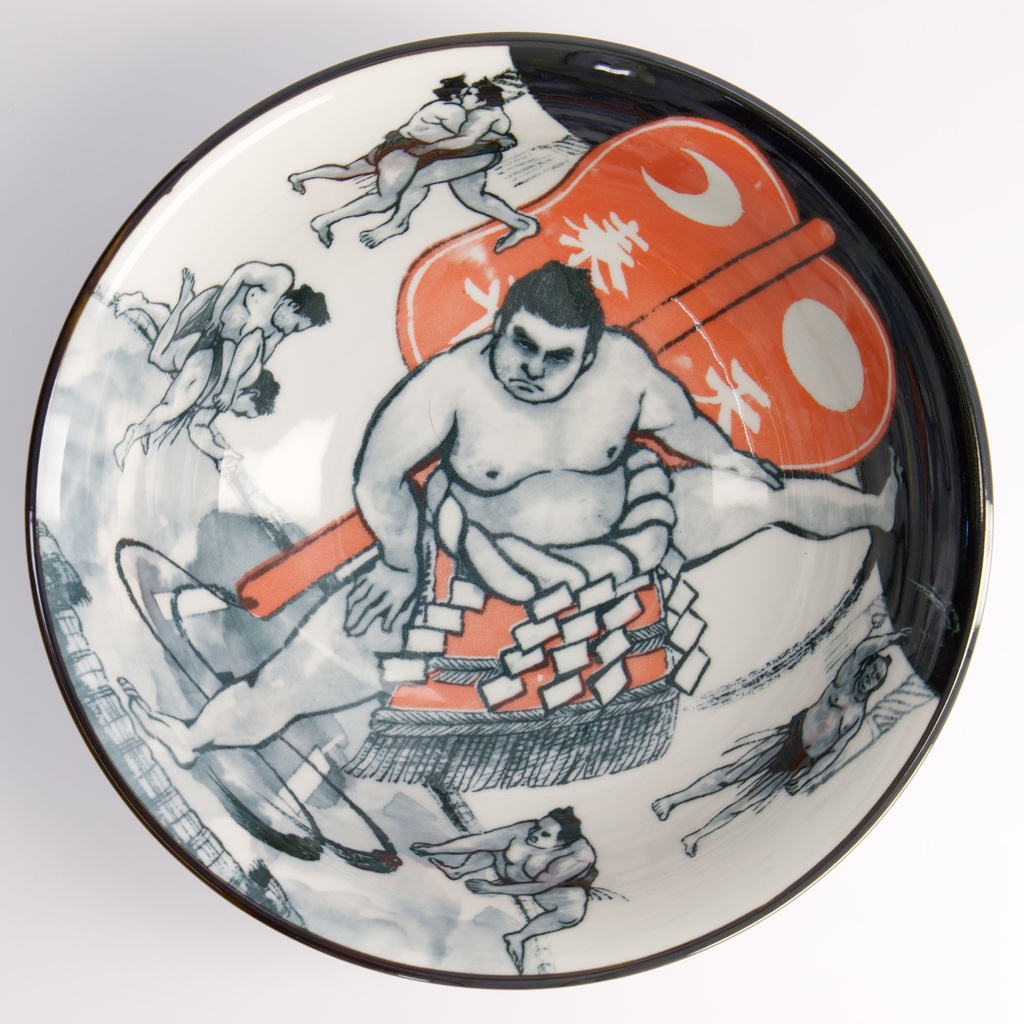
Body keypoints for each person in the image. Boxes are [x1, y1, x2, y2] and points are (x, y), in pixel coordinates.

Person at [125, 261, 896, 768]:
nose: (531, 368)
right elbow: (378, 477)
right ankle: (189, 740)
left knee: (766, 495)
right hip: (465, 563)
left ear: (589, 354)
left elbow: (682, 425)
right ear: (500, 326)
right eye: (520, 344)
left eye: (557, 358)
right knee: (302, 676)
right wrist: (396, 561)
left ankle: (883, 512)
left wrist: (727, 459)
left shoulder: (624, 369)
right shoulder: (451, 385)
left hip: (625, 539)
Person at [651, 630, 908, 856]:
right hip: (790, 736)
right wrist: (889, 639)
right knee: (731, 774)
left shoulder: (857, 714)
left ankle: (694, 837)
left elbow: (835, 752)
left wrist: (808, 777)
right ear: (864, 668)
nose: (871, 678)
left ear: (879, 684)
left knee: (747, 801)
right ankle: (671, 801)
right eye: (871, 671)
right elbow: (860, 651)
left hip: (801, 761)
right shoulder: (844, 682)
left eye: (878, 677)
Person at [113, 264, 328, 468]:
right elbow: (241, 274)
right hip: (214, 311)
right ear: (292, 306)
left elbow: (251, 358)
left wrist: (223, 454)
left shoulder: (274, 335)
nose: (290, 331)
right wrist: (216, 314)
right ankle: (147, 303)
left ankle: (146, 304)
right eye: (296, 326)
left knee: (163, 357)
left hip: (216, 348)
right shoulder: (281, 280)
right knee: (165, 352)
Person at [293, 78, 536, 251]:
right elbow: (463, 136)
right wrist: (500, 138)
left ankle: (396, 223)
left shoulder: (482, 113)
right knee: (474, 198)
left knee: (414, 181)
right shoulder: (463, 111)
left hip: (467, 155)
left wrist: (428, 149)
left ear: (482, 97)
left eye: (470, 93)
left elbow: (465, 139)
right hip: (441, 154)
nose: (465, 97)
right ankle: (523, 224)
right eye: (465, 93)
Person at [411, 807, 597, 972]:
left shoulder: (579, 856)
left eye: (545, 834)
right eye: (537, 827)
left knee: (573, 906)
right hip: (508, 870)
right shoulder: (525, 829)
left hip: (547, 891)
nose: (535, 833)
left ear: (562, 842)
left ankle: (519, 937)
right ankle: (458, 871)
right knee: (496, 848)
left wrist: (493, 888)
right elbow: (481, 842)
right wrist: (436, 849)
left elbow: (541, 886)